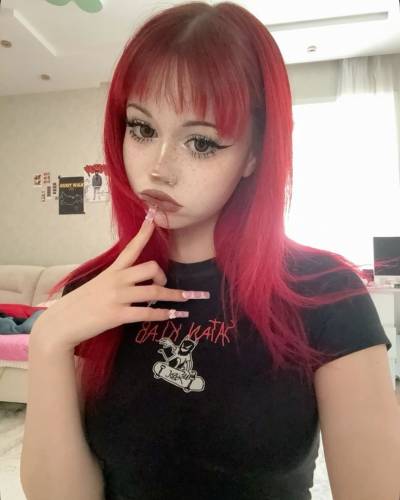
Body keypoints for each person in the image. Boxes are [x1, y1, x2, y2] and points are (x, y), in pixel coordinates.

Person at [21, 2, 399, 500]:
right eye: (142, 129)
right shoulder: (90, 292)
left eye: (200, 142)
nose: (158, 168)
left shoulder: (326, 293)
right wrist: (48, 341)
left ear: (254, 154)